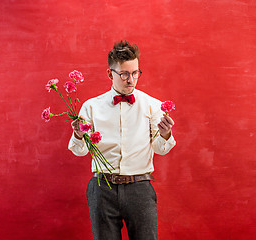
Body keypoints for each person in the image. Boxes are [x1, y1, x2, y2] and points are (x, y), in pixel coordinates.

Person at [68, 40, 176, 240]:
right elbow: (80, 151)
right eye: (124, 74)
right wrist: (78, 135)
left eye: (135, 73)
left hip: (140, 188)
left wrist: (165, 134)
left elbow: (160, 149)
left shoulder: (153, 105)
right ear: (110, 74)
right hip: (102, 189)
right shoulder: (91, 107)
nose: (131, 80)